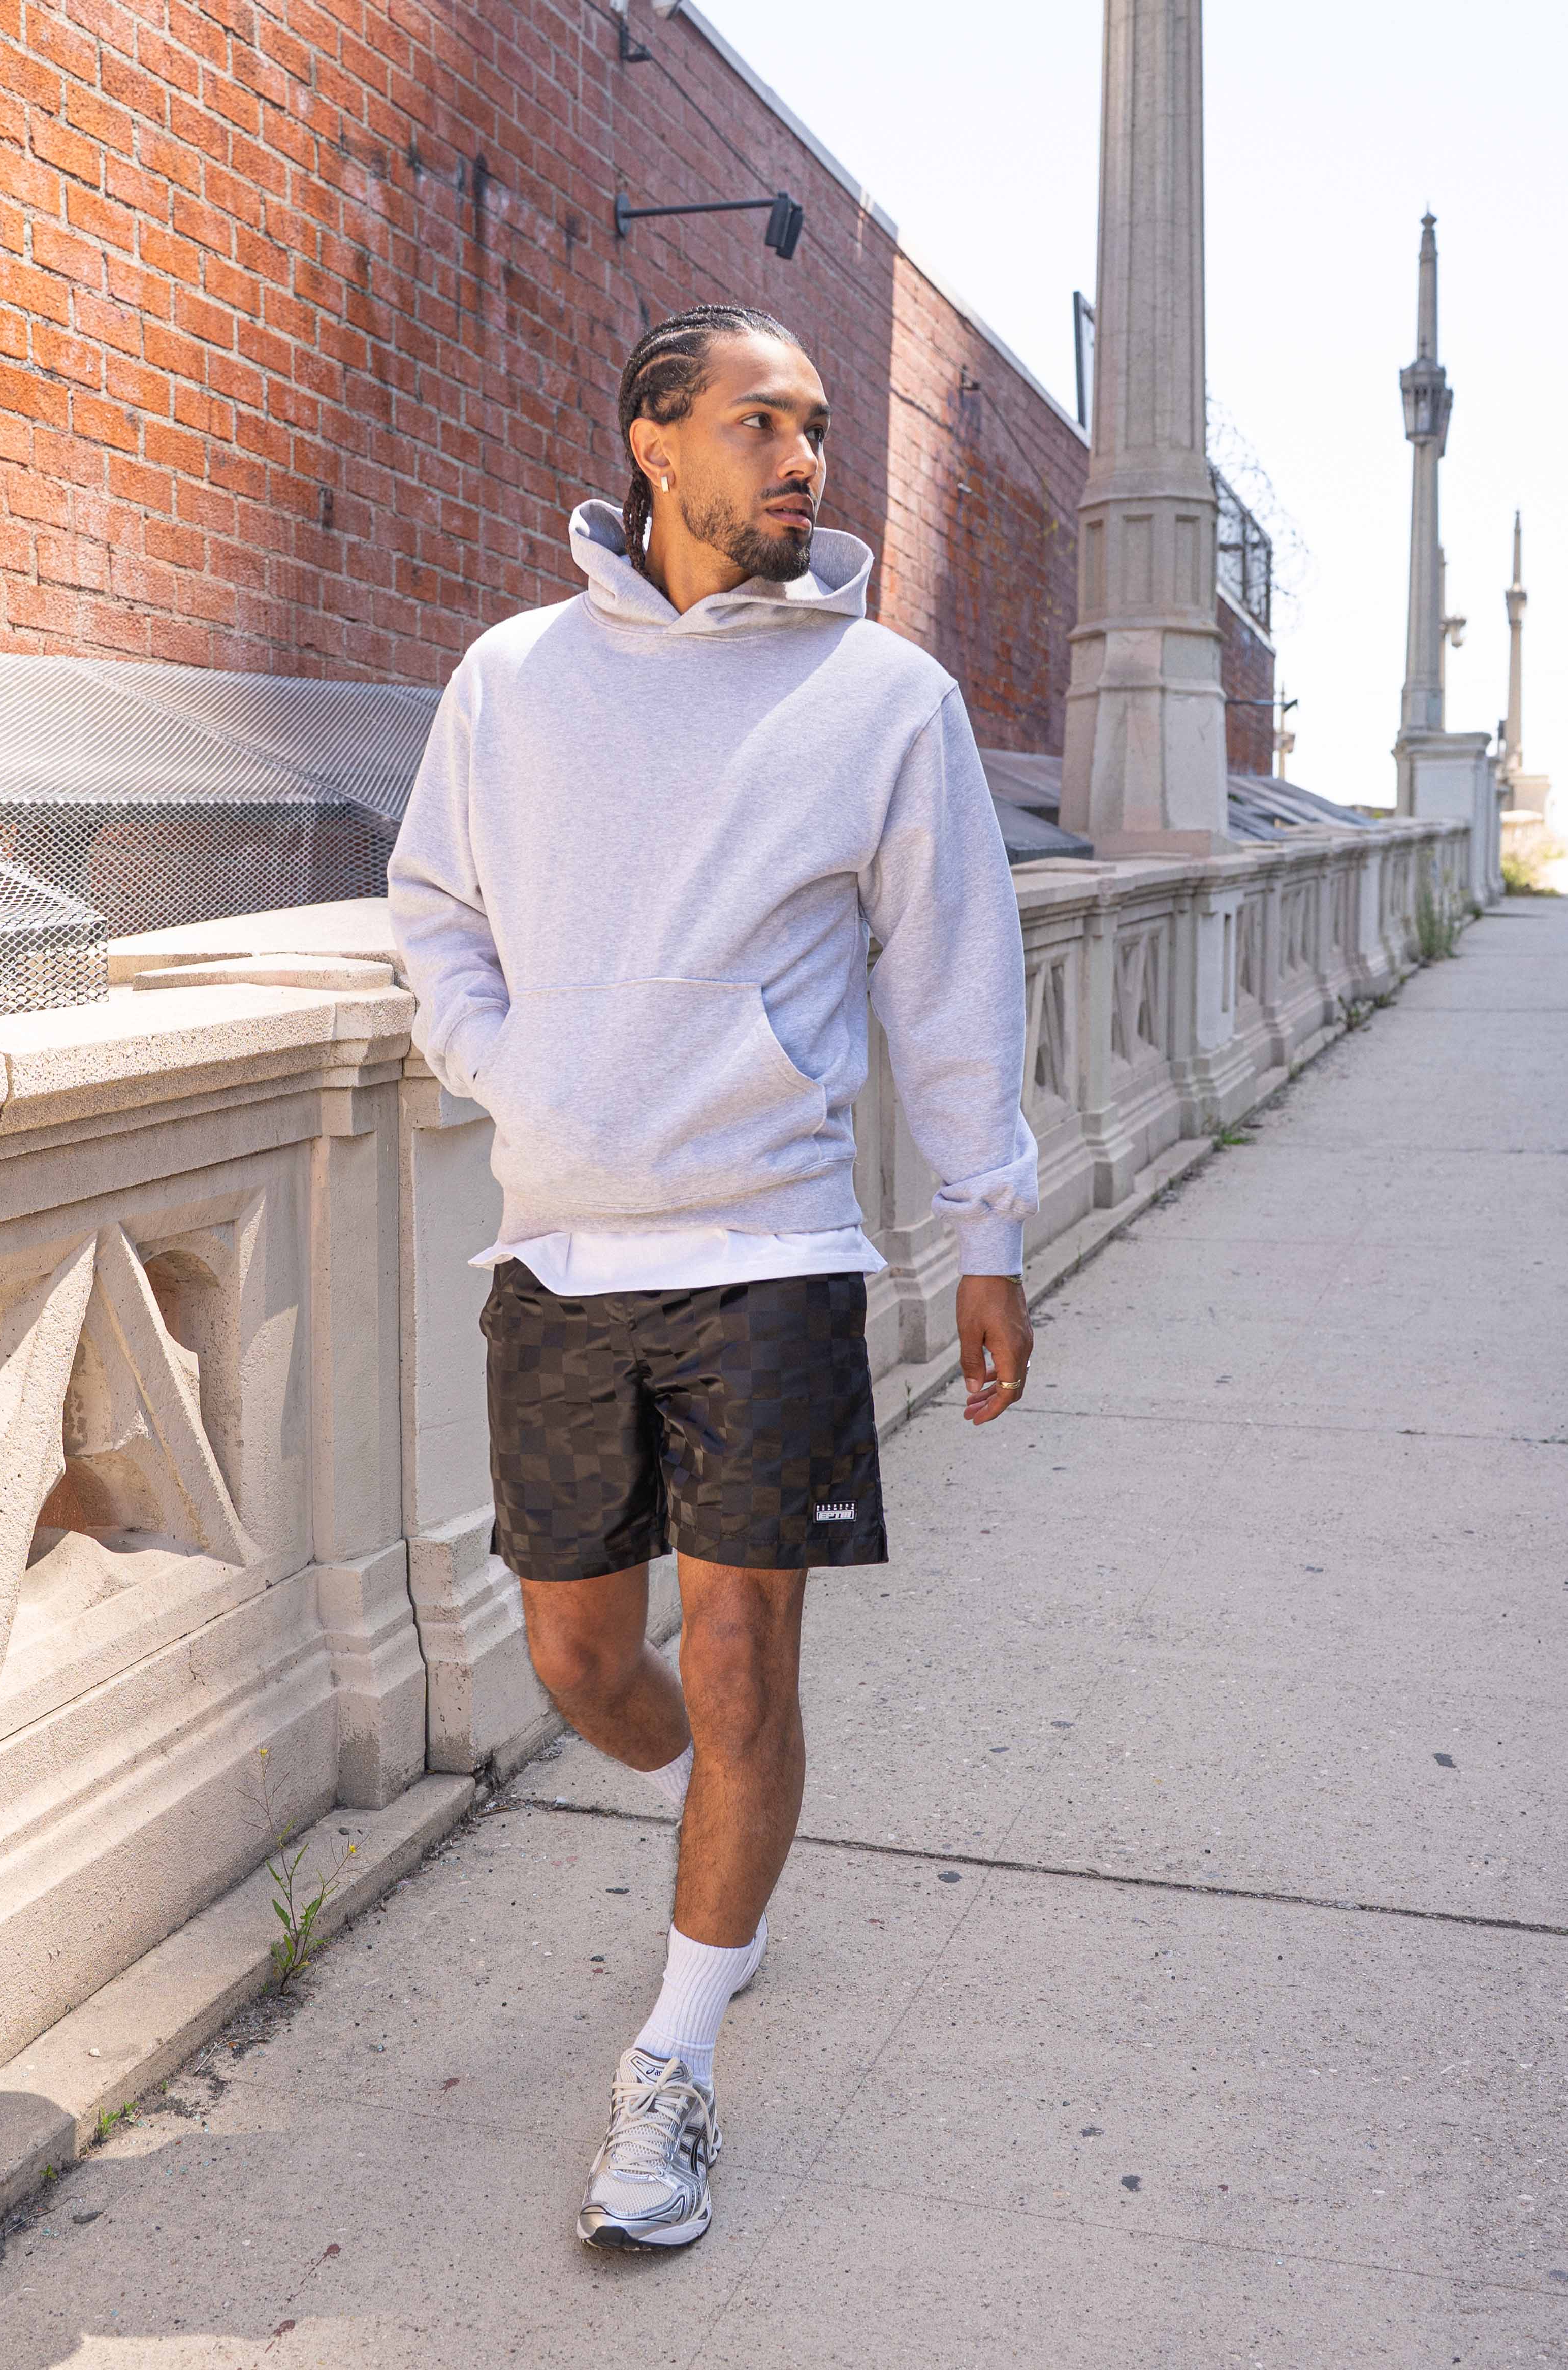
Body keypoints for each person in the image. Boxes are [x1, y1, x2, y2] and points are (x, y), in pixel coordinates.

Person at [387, 303, 1036, 2252]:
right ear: (656, 444)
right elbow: (432, 912)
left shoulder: (885, 700)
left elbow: (952, 974)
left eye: (821, 428)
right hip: (564, 1247)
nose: (805, 458)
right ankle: (725, 1829)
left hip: (774, 1245)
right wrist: (520, 1069)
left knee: (749, 1659)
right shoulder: (509, 680)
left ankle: (674, 2052)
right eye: (764, 423)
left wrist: (988, 1232)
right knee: (588, 1664)